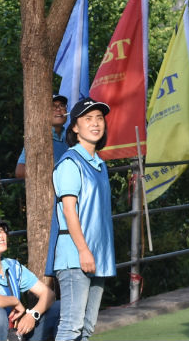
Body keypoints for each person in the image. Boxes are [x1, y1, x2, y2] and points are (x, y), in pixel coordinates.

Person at [52, 97, 114, 341]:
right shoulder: (69, 162)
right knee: (71, 327)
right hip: (76, 256)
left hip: (98, 255)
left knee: (86, 329)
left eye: (99, 118)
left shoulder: (100, 164)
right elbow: (69, 211)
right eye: (88, 119)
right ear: (75, 127)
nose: (95, 123)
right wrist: (84, 251)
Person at [15, 95, 71, 180]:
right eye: (52, 106)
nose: (58, 109)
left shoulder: (70, 138)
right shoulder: (38, 137)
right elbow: (20, 171)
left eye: (62, 105)